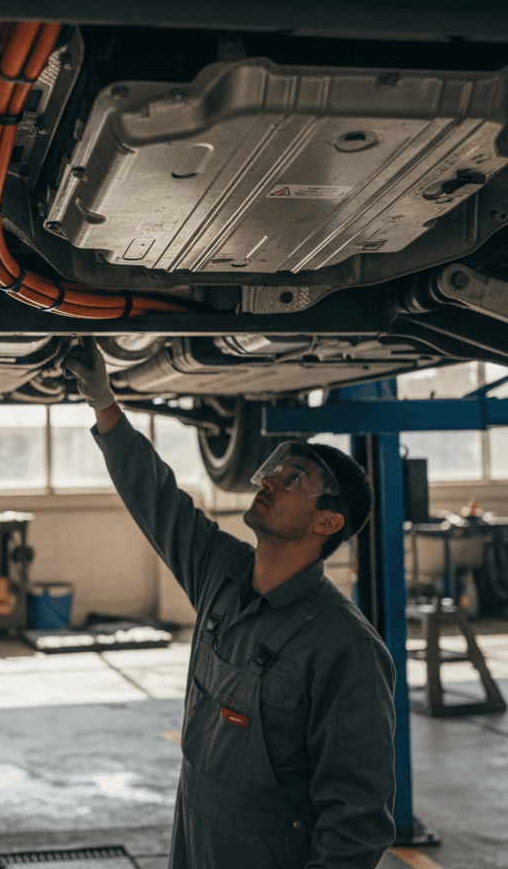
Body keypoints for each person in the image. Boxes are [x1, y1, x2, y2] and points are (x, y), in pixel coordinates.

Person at [63, 342, 397, 869]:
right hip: (193, 827)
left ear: (328, 523)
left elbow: (356, 820)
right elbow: (158, 500)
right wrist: (105, 403)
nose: (268, 480)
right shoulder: (223, 573)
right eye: (274, 470)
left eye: (293, 481)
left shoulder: (344, 647)